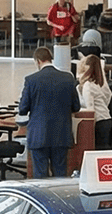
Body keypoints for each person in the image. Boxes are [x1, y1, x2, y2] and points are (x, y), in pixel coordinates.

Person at [17, 45, 81, 179]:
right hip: (61, 134)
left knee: (40, 177)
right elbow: (76, 107)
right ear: (50, 59)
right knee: (60, 177)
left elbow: (22, 109)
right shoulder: (67, 78)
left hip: (38, 135)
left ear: (38, 61)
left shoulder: (31, 80)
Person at [78, 54, 112, 151]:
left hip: (100, 122)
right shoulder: (95, 84)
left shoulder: (88, 86)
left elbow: (91, 110)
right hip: (106, 120)